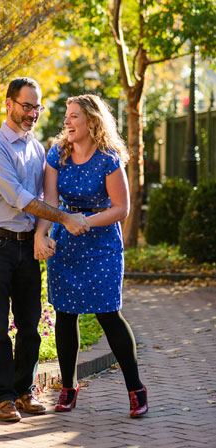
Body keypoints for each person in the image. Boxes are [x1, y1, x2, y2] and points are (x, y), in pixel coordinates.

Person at [0, 77, 91, 423]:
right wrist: (65, 218)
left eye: (37, 107)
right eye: (26, 106)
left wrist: (44, 233)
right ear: (8, 104)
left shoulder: (37, 149)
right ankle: (2, 397)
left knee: (30, 325)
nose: (32, 113)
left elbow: (45, 198)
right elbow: (21, 200)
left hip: (27, 248)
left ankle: (24, 391)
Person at [34, 94, 147, 418]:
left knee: (108, 315)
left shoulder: (109, 159)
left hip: (101, 246)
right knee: (65, 315)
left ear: (92, 122)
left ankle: (136, 389)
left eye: (74, 117)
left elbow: (121, 209)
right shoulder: (58, 154)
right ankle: (68, 387)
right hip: (65, 242)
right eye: (67, 117)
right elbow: (49, 201)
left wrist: (83, 221)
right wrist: (43, 233)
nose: (66, 122)